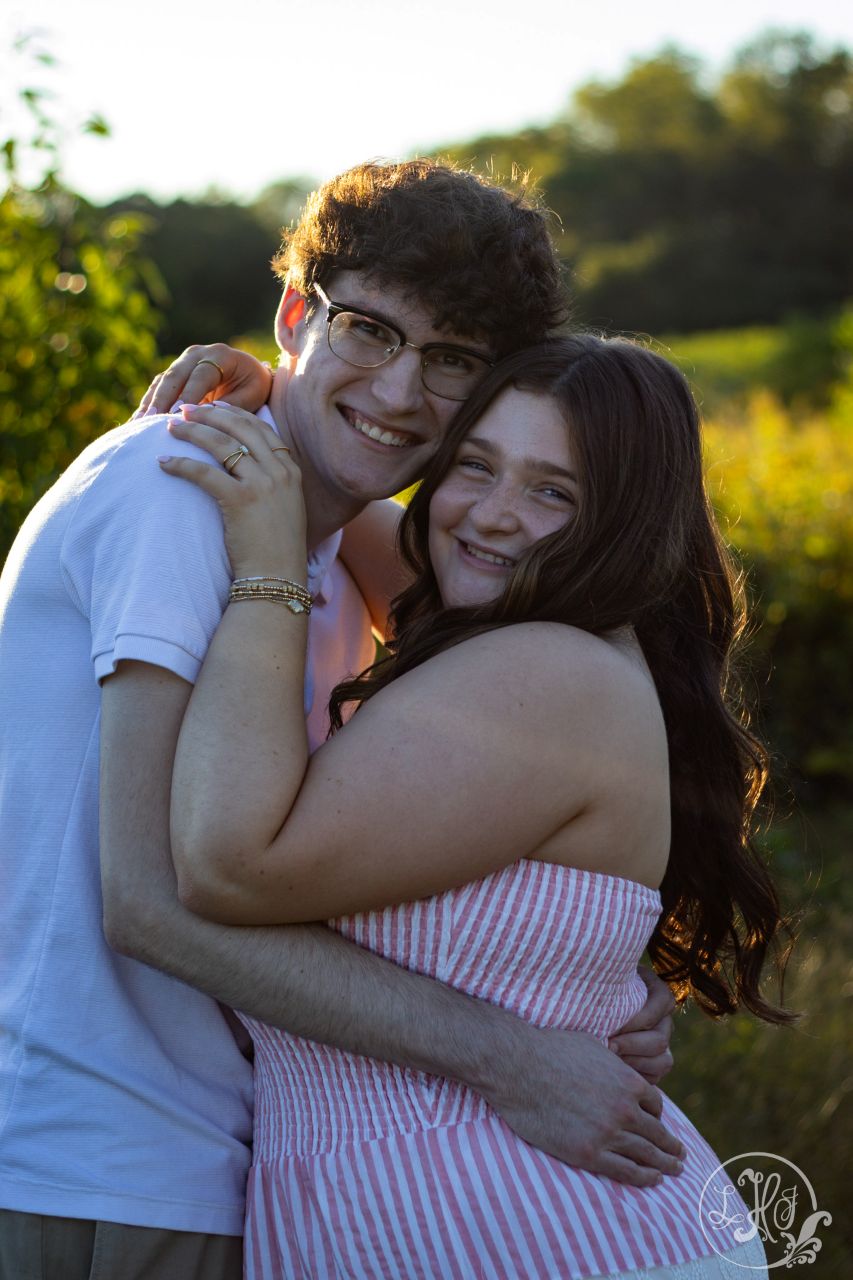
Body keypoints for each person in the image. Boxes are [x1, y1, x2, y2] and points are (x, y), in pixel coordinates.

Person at [0, 161, 679, 1280]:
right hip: (106, 1159)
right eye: (367, 331)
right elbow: (150, 899)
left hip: (229, 1162)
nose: (402, 393)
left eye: (452, 362)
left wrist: (591, 991)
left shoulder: (319, 536)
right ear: (291, 316)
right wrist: (512, 1054)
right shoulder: (185, 486)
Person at [157, 333, 789, 1278]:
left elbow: (228, 865)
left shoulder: (546, 671)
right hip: (443, 1215)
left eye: (552, 492)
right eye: (475, 466)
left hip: (530, 1230)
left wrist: (267, 571)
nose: (491, 516)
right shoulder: (518, 631)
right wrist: (284, 393)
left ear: (620, 523)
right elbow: (354, 510)